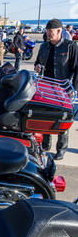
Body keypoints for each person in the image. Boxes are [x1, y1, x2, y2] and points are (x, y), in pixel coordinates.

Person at [34, 18, 78, 160]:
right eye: (47, 31)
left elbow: (77, 69)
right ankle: (45, 146)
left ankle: (61, 149)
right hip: (46, 87)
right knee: (46, 116)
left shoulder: (70, 46)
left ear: (59, 31)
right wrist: (37, 67)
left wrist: (74, 89)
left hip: (64, 88)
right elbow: (37, 62)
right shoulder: (44, 46)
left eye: (50, 31)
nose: (48, 33)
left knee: (63, 118)